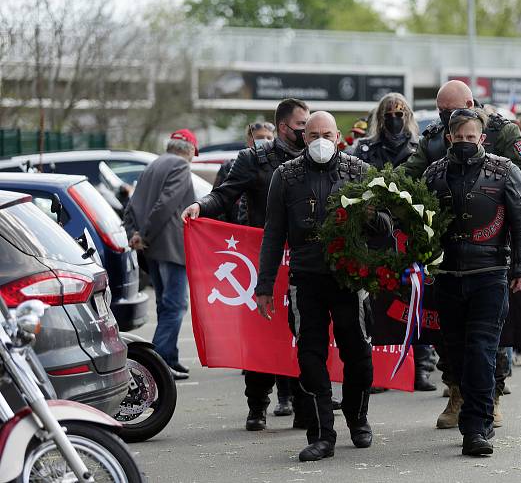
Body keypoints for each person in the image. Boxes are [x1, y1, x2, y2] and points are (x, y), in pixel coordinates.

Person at [402, 80, 521, 431]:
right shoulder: (435, 136)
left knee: (489, 335)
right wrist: (381, 193)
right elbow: (409, 175)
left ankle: (491, 397)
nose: (446, 119)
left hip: (490, 244)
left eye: (451, 112)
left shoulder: (501, 131)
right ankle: (456, 393)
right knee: (449, 336)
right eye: (441, 113)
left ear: (471, 104)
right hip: (448, 251)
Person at [182, 101, 309, 431]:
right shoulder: (255, 159)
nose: (306, 130)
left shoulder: (314, 156)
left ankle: (302, 402)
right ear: (283, 127)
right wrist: (199, 207)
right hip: (262, 260)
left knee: (302, 335)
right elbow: (224, 196)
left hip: (302, 259)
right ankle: (258, 405)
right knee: (261, 336)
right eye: (301, 123)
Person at [255, 111, 373, 462]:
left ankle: (357, 416)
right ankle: (322, 434)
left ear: (338, 136)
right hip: (306, 280)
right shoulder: (285, 176)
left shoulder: (360, 172)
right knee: (310, 357)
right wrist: (264, 285)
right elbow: (273, 234)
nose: (320, 140)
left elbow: (383, 225)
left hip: (350, 280)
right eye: (313, 134)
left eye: (327, 133)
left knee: (359, 357)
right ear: (303, 138)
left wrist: (374, 219)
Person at [423, 108, 521, 456]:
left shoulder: (505, 170)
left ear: (482, 138)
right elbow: (417, 220)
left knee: (481, 352)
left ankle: (476, 428)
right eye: (460, 137)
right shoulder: (433, 173)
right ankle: (475, 416)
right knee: (456, 356)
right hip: (447, 278)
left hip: (490, 275)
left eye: (472, 137)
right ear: (449, 138)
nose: (466, 142)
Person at [345, 93, 436, 392]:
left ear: (407, 116)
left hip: (410, 230)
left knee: (416, 298)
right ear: (380, 118)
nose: (394, 120)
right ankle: (381, 370)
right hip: (375, 231)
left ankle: (421, 367)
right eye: (389, 115)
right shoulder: (365, 149)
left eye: (400, 114)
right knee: (375, 302)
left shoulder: (420, 147)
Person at [123, 129, 198, 380]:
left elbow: (132, 205)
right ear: (188, 150)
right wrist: (143, 234)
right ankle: (158, 364)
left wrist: (135, 233)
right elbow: (166, 204)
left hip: (151, 248)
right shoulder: (180, 166)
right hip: (169, 246)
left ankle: (171, 357)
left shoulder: (153, 165)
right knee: (175, 305)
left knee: (165, 304)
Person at [211, 122, 275, 224]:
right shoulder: (229, 167)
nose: (265, 141)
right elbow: (219, 199)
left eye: (269, 137)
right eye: (260, 137)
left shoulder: (277, 168)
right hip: (233, 232)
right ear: (249, 140)